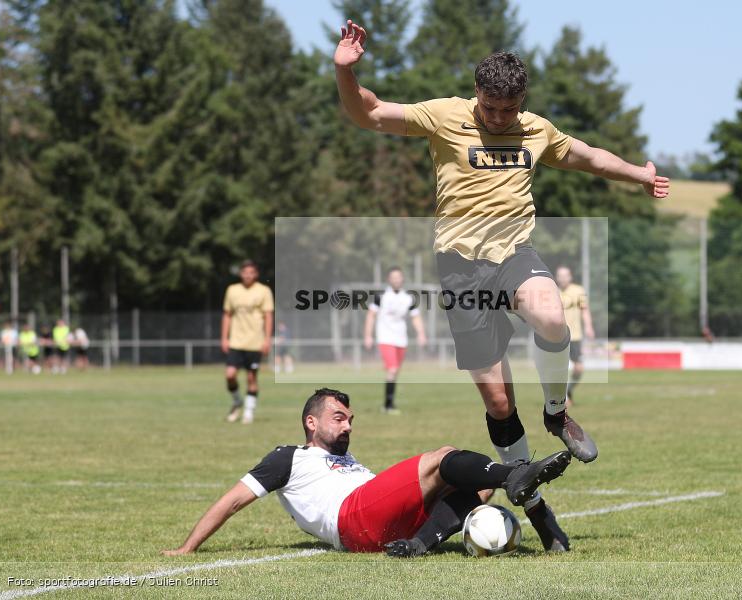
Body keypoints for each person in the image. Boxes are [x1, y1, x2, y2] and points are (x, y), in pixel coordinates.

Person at [334, 20, 670, 550]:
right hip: (460, 269)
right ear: (476, 95)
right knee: (497, 405)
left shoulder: (535, 128)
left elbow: (586, 157)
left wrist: (640, 174)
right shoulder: (443, 116)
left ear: (522, 102)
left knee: (552, 315)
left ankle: (557, 412)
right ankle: (540, 517)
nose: (496, 118)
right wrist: (344, 72)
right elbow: (369, 113)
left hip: (514, 255)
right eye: (489, 108)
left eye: (506, 110)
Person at [161, 388, 570, 557]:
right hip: (351, 521)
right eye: (338, 418)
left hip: (382, 523)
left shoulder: (349, 461)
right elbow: (232, 501)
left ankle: (419, 544)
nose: (348, 425)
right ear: (311, 423)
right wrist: (186, 549)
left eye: (350, 419)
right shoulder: (288, 458)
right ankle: (516, 475)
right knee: (441, 456)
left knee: (474, 489)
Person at [363, 266, 427, 414]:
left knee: (395, 371)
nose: (396, 280)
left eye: (399, 277)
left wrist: (421, 333)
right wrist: (368, 335)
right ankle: (388, 406)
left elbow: (415, 317)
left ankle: (388, 403)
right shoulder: (381, 296)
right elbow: (371, 316)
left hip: (401, 339)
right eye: (393, 277)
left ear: (402, 279)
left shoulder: (408, 298)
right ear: (389, 280)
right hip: (385, 338)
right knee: (392, 370)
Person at [221, 259, 274, 424]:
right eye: (245, 272)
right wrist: (224, 337)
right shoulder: (232, 290)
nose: (248, 275)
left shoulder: (264, 291)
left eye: (251, 272)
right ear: (241, 273)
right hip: (236, 342)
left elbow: (268, 316)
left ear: (256, 274)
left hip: (255, 342)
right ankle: (237, 401)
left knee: (251, 378)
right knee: (230, 375)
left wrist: (267, 339)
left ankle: (249, 412)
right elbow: (227, 314)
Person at [555, 266, 594, 407]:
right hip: (558, 337)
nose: (563, 278)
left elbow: (585, 310)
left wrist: (589, 326)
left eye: (565, 275)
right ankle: (562, 397)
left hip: (575, 335)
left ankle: (568, 390)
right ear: (557, 277)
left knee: (579, 368)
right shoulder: (553, 292)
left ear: (570, 277)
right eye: (560, 275)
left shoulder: (579, 291)